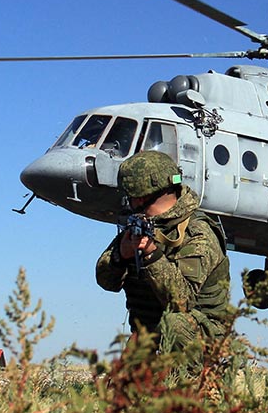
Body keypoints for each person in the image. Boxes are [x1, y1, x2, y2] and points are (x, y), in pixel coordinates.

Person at [95, 150, 234, 379]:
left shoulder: (198, 232)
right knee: (120, 405)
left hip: (199, 338)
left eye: (130, 197)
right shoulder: (140, 226)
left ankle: (194, 390)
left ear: (140, 198)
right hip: (150, 336)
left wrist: (151, 255)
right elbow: (106, 281)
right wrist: (121, 255)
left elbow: (182, 301)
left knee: (174, 322)